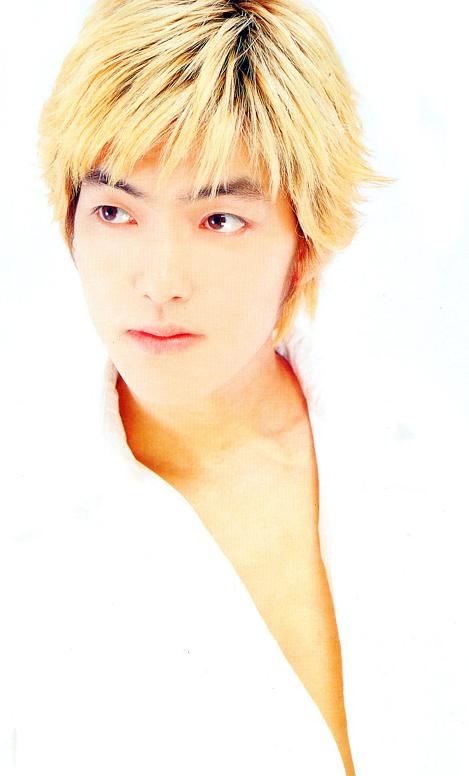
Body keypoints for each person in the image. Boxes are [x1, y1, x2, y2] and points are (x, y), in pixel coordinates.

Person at [0, 0, 394, 773]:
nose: (159, 282)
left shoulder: (426, 459)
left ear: (305, 244)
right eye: (115, 212)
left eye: (219, 220)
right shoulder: (24, 507)